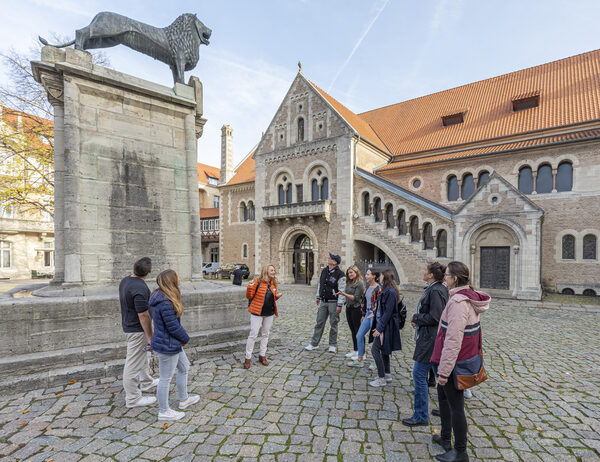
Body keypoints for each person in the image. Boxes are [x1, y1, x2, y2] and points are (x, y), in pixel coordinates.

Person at [430, 261, 490, 462]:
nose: (444, 278)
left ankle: (460, 451)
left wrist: (444, 371)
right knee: (443, 399)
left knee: (456, 407)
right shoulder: (463, 298)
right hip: (451, 360)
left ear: (454, 278)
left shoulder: (458, 303)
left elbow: (453, 340)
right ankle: (445, 437)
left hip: (454, 364)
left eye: (447, 275)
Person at [402, 262, 449, 427]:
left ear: (430, 275)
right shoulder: (435, 288)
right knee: (439, 373)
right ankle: (447, 408)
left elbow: (436, 316)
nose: (422, 272)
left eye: (425, 270)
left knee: (419, 375)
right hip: (431, 338)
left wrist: (417, 318)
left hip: (430, 340)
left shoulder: (436, 290)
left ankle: (420, 415)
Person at [150, 269, 199, 421]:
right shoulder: (165, 302)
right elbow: (172, 327)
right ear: (172, 280)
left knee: (184, 367)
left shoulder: (160, 296)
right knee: (165, 378)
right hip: (168, 345)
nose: (179, 278)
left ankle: (184, 400)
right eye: (177, 276)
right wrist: (185, 338)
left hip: (171, 343)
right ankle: (164, 411)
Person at [119, 257, 158, 408]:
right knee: (132, 364)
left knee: (142, 356)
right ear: (150, 271)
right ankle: (133, 398)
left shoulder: (126, 281)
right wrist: (150, 336)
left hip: (129, 325)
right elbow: (143, 315)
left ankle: (147, 382)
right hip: (136, 329)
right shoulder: (140, 289)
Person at [305, 253, 346, 353]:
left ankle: (332, 344)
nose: (328, 259)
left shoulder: (340, 274)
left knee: (333, 324)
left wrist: (340, 304)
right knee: (319, 322)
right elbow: (320, 284)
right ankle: (314, 343)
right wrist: (318, 296)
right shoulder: (324, 271)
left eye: (330, 258)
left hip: (334, 302)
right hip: (323, 301)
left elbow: (342, 290)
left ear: (335, 262)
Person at [244, 264, 282, 369]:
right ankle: (248, 358)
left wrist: (277, 296)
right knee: (253, 335)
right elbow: (249, 296)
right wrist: (250, 286)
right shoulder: (257, 281)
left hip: (269, 313)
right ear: (266, 272)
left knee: (265, 334)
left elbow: (271, 298)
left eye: (274, 270)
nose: (274, 272)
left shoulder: (273, 283)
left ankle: (262, 355)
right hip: (257, 313)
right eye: (271, 270)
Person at [369, 270, 402, 387]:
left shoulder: (390, 292)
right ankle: (387, 374)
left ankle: (381, 377)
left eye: (381, 275)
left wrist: (379, 328)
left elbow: (388, 312)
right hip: (382, 324)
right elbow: (382, 309)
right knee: (384, 350)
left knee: (375, 350)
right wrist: (374, 313)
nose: (379, 277)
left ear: (385, 277)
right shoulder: (386, 290)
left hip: (385, 327)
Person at [348, 269, 379, 367]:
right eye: (366, 274)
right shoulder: (368, 287)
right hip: (367, 315)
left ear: (374, 276)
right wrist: (363, 314)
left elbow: (380, 305)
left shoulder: (379, 289)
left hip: (374, 316)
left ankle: (376, 361)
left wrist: (375, 315)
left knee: (375, 339)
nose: (366, 276)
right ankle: (360, 359)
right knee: (359, 335)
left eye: (368, 274)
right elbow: (365, 302)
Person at [336, 265, 365, 360]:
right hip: (349, 308)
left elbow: (356, 298)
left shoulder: (360, 284)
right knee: (353, 330)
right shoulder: (349, 283)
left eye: (351, 272)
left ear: (356, 273)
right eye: (348, 273)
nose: (350, 274)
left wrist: (343, 294)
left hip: (356, 309)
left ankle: (362, 353)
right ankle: (355, 350)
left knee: (358, 331)